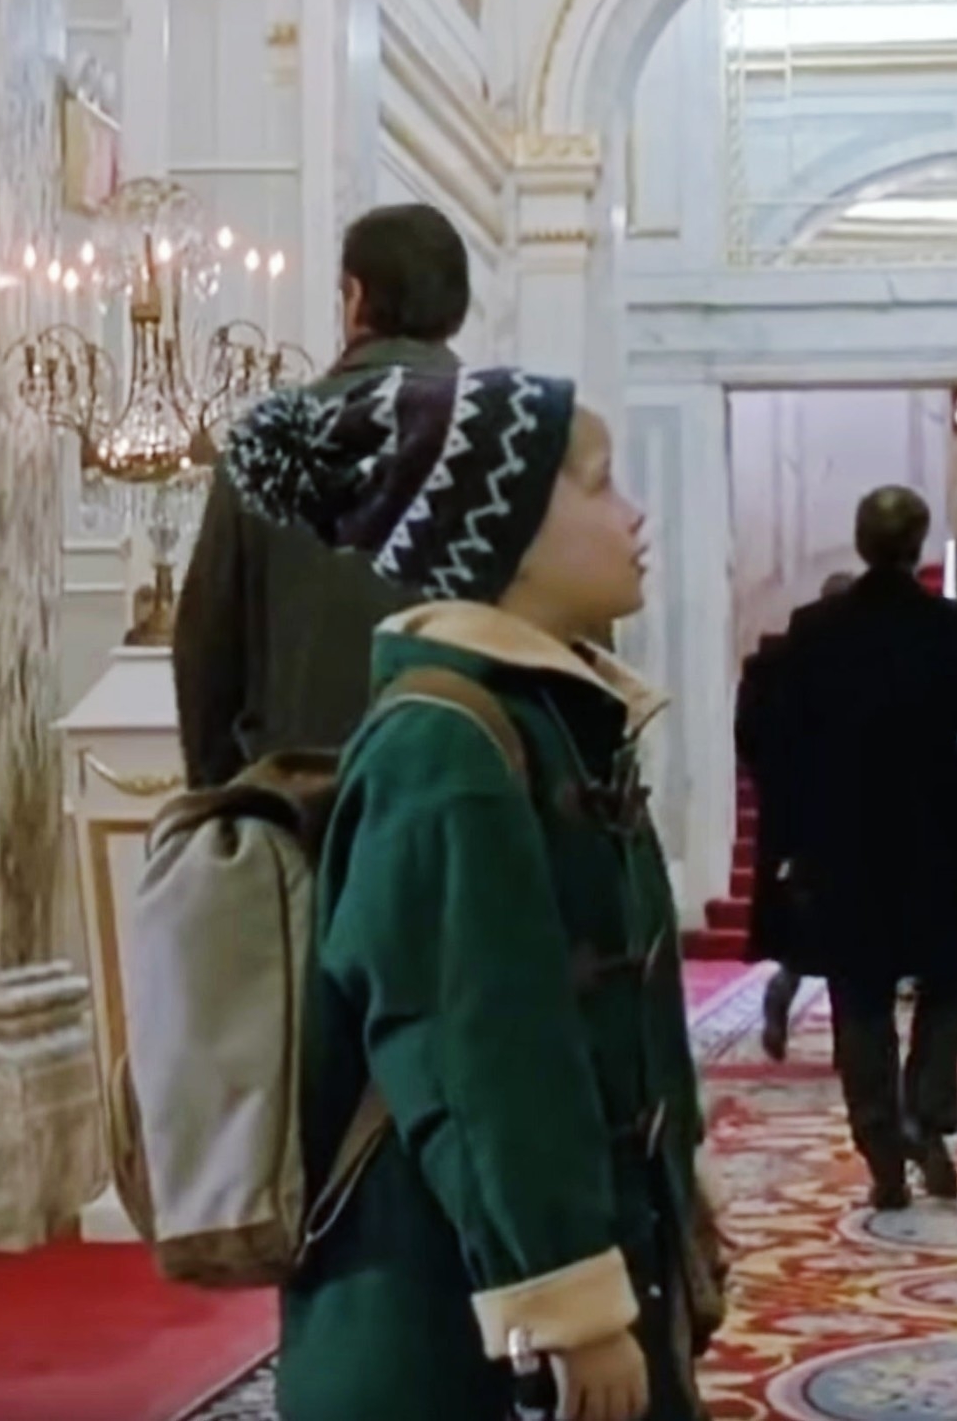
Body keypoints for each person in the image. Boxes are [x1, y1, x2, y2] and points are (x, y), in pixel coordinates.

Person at [224, 363, 711, 1421]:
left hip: (526, 1290)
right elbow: (482, 1049)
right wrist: (568, 1302)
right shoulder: (445, 747)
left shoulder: (543, 722)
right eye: (598, 483)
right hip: (451, 1325)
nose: (633, 514)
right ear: (505, 530)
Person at [172, 203, 472, 789]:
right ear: (456, 306)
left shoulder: (270, 440)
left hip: (301, 816)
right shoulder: (517, 437)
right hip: (465, 819)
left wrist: (226, 800)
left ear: (354, 298)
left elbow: (207, 651)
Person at [767, 487, 957, 1209]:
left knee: (858, 993)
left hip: (842, 844)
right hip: (932, 839)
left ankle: (882, 1150)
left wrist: (793, 840)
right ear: (919, 542)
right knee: (948, 979)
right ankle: (926, 1110)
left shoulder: (814, 629)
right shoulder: (952, 630)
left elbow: (782, 747)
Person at [735, 571, 856, 1061]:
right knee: (849, 929)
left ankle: (782, 996)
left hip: (791, 810)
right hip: (848, 809)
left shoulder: (773, 665)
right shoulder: (852, 665)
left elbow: (750, 738)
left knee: (803, 920)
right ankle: (853, 1042)